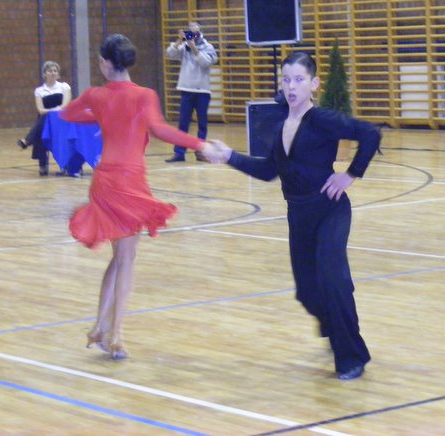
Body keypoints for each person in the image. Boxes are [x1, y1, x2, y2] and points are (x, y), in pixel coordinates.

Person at [211, 52, 381, 380]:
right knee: (307, 292)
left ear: (314, 84)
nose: (291, 86)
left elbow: (371, 134)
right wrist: (229, 156)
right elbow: (268, 171)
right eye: (286, 79)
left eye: (299, 80)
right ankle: (335, 324)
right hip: (298, 215)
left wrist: (350, 174)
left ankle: (352, 357)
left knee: (333, 281)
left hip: (329, 210)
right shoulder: (280, 126)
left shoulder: (322, 120)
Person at [60, 34, 218, 360]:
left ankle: (100, 327)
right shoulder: (144, 95)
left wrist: (101, 114)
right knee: (126, 260)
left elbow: (68, 114)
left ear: (105, 63)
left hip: (105, 182)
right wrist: (200, 144)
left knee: (120, 257)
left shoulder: (95, 95)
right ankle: (115, 335)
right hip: (129, 182)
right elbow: (160, 130)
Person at [164, 22, 218, 163]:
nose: (193, 36)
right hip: (186, 90)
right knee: (183, 123)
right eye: (190, 33)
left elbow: (205, 63)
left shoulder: (208, 47)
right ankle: (179, 153)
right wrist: (179, 40)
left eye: (195, 33)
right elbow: (170, 54)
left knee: (202, 124)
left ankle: (200, 152)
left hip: (202, 91)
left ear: (200, 33)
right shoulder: (183, 46)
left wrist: (193, 47)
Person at [17, 61, 77, 176]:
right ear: (44, 74)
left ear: (58, 74)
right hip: (45, 121)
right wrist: (51, 112)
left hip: (61, 120)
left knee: (44, 121)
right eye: (50, 71)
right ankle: (43, 165)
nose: (53, 73)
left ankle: (27, 140)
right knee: (43, 123)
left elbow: (65, 105)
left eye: (55, 71)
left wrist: (53, 112)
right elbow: (40, 109)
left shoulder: (64, 87)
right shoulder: (39, 91)